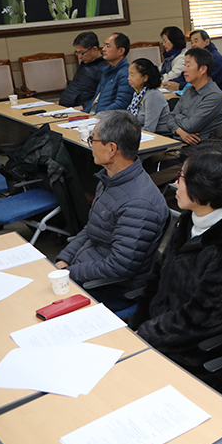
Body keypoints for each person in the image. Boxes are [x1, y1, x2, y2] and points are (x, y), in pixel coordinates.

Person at [132, 143, 222, 385]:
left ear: (204, 188)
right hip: (157, 335)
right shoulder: (191, 219)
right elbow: (157, 277)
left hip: (192, 355)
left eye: (182, 177)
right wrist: (138, 323)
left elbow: (202, 318)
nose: (175, 183)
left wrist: (145, 335)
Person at [54, 111, 169, 308]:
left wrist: (70, 273)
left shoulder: (139, 204)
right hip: (86, 269)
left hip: (110, 289)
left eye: (93, 139)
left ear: (112, 149)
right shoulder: (110, 179)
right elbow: (92, 228)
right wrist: (64, 260)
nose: (89, 145)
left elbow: (119, 267)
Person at [166, 47, 222, 144]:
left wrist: (177, 117)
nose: (184, 70)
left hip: (200, 149)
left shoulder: (213, 96)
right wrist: (180, 131)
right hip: (179, 141)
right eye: (185, 65)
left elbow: (190, 127)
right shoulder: (189, 89)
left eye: (188, 66)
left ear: (203, 69)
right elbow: (169, 117)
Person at [167, 30, 222, 96]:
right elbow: (185, 75)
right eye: (191, 42)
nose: (193, 45)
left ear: (207, 42)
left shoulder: (214, 59)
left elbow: (201, 82)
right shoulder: (196, 58)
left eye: (196, 41)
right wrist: (171, 82)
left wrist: (179, 86)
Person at [85, 32, 134, 113]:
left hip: (109, 119)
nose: (103, 49)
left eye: (108, 46)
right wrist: (84, 114)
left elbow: (121, 104)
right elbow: (96, 98)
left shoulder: (126, 73)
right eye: (104, 45)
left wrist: (98, 116)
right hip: (97, 116)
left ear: (121, 51)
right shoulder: (106, 70)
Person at [59, 31, 107, 108]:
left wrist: (83, 107)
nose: (79, 57)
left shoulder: (104, 67)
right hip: (64, 105)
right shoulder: (86, 62)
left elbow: (102, 95)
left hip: (79, 108)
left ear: (94, 49)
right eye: (77, 53)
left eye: (82, 53)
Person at [126, 58, 170, 134]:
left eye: (132, 75)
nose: (129, 78)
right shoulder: (139, 92)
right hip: (139, 132)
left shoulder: (153, 96)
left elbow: (149, 129)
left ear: (145, 78)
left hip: (159, 137)